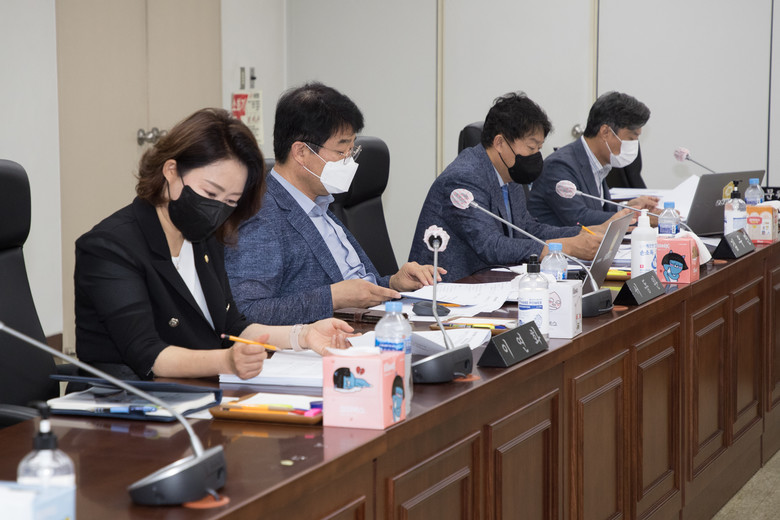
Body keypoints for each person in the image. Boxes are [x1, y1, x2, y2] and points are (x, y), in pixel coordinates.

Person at [74, 108, 354, 381]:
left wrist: (303, 335)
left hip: (200, 387)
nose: (217, 210)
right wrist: (226, 362)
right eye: (210, 192)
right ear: (171, 171)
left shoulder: (204, 238)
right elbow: (148, 355)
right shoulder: (109, 248)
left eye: (231, 201)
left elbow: (232, 326)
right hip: (130, 399)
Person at [225, 82, 443, 325]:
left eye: (352, 150)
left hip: (369, 325)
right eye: (341, 152)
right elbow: (246, 311)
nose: (349, 162)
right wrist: (332, 298)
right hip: (324, 340)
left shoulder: (320, 203)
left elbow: (355, 288)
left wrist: (393, 283)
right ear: (301, 152)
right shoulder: (260, 214)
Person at [408, 91, 616, 282]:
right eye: (531, 147)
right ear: (500, 143)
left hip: (490, 283)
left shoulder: (508, 172)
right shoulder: (463, 179)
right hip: (448, 290)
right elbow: (491, 245)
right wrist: (564, 247)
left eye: (539, 148)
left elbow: (527, 229)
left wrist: (581, 233)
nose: (536, 155)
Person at [527, 91, 659, 227]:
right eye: (631, 138)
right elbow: (579, 218)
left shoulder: (598, 162)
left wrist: (627, 208)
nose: (634, 145)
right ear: (605, 132)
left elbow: (597, 210)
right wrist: (642, 219)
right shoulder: (559, 166)